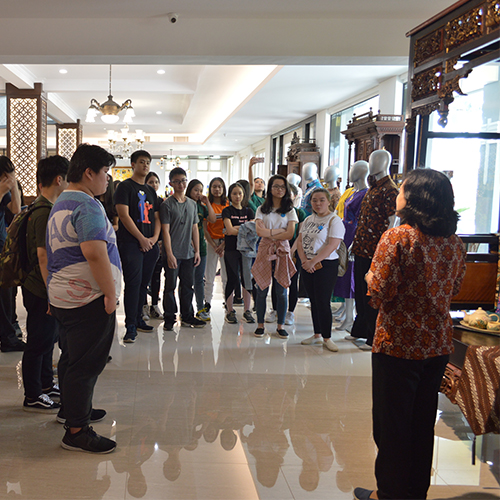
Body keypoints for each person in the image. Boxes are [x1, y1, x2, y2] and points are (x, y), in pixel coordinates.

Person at [354, 169, 467, 500]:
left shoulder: (398, 238)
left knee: (391, 426)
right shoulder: (454, 243)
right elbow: (455, 288)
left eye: (402, 189)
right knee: (421, 423)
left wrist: (371, 280)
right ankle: (415, 491)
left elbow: (378, 293)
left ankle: (388, 494)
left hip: (398, 344)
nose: (397, 193)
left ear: (415, 198)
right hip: (437, 343)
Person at [46, 144, 121, 453]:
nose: (108, 179)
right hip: (86, 297)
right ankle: (76, 431)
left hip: (64, 293)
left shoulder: (62, 200)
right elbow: (93, 251)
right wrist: (111, 293)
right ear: (89, 173)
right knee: (85, 364)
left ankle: (72, 410)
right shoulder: (87, 205)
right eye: (105, 173)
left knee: (71, 357)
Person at [22, 156, 69, 413]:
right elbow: (43, 256)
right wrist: (52, 291)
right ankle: (32, 394)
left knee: (46, 339)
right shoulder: (43, 211)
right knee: (38, 342)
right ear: (59, 179)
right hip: (40, 288)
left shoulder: (43, 206)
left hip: (41, 286)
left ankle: (45, 385)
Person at [350, 150, 398, 351]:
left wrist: (384, 249)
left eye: (376, 160)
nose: (372, 164)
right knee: (360, 293)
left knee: (372, 295)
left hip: (375, 251)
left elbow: (392, 221)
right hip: (362, 247)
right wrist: (355, 241)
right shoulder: (372, 188)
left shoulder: (390, 190)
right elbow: (364, 219)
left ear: (386, 162)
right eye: (371, 160)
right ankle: (361, 331)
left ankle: (372, 337)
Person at [114, 150, 161, 343]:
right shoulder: (125, 187)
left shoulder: (150, 191)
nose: (146, 165)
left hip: (150, 244)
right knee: (133, 284)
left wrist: (154, 238)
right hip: (131, 243)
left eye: (148, 162)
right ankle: (130, 326)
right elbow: (123, 215)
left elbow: (157, 217)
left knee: (144, 284)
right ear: (133, 164)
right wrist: (141, 238)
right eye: (142, 162)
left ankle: (140, 319)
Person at [297, 188, 345, 352]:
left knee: (323, 302)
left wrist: (313, 261)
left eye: (321, 200)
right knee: (314, 301)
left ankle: (327, 337)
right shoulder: (308, 219)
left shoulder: (334, 220)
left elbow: (332, 245)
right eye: (314, 200)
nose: (318, 203)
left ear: (329, 201)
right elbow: (300, 241)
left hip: (326, 266)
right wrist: (304, 260)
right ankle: (317, 334)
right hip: (307, 265)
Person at [252, 175, 297, 339]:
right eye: (276, 186)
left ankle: (280, 325)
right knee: (262, 288)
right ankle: (260, 325)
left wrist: (270, 233)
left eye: (282, 187)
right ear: (269, 189)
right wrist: (279, 232)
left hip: (282, 250)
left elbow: (290, 233)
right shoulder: (261, 210)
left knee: (281, 290)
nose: (279, 189)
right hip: (265, 249)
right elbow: (259, 232)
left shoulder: (290, 210)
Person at [160, 167, 205, 331]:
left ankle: (187, 316)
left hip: (188, 253)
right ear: (171, 183)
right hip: (173, 253)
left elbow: (195, 229)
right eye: (177, 181)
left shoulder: (192, 204)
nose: (181, 184)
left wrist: (197, 251)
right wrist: (169, 254)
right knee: (170, 287)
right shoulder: (167, 205)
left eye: (184, 180)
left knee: (188, 286)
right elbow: (165, 231)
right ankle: (169, 318)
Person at [0, 156, 24, 352]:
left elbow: (16, 210)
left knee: (7, 294)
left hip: (2, 248)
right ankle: (8, 338)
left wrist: (14, 186)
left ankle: (9, 337)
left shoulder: (7, 190)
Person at [222, 182, 255, 324]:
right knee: (233, 277)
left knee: (247, 279)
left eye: (240, 193)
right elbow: (229, 230)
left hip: (247, 250)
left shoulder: (249, 211)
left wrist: (237, 229)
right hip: (231, 249)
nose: (237, 196)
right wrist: (244, 228)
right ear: (230, 195)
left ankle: (247, 310)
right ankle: (230, 311)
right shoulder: (227, 211)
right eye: (234, 193)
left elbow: (254, 230)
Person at [186, 179, 216, 321]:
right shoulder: (185, 203)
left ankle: (200, 308)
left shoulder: (201, 207)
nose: (198, 193)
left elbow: (212, 219)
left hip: (201, 248)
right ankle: (186, 309)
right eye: (195, 190)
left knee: (199, 279)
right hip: (186, 247)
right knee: (186, 280)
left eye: (200, 190)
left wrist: (207, 202)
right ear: (189, 190)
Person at [203, 177, 229, 319]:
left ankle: (227, 302)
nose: (217, 189)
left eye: (219, 186)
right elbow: (205, 228)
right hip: (211, 243)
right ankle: (207, 302)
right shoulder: (207, 204)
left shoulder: (228, 204)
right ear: (210, 188)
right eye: (214, 186)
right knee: (209, 275)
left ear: (223, 188)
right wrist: (214, 245)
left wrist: (223, 245)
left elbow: (230, 225)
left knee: (226, 276)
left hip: (226, 243)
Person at [144, 171, 165, 320]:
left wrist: (160, 239)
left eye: (156, 182)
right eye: (151, 182)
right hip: (144, 242)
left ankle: (155, 306)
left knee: (157, 275)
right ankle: (143, 305)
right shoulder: (141, 200)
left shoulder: (161, 201)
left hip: (157, 242)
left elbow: (164, 223)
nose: (154, 185)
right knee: (144, 277)